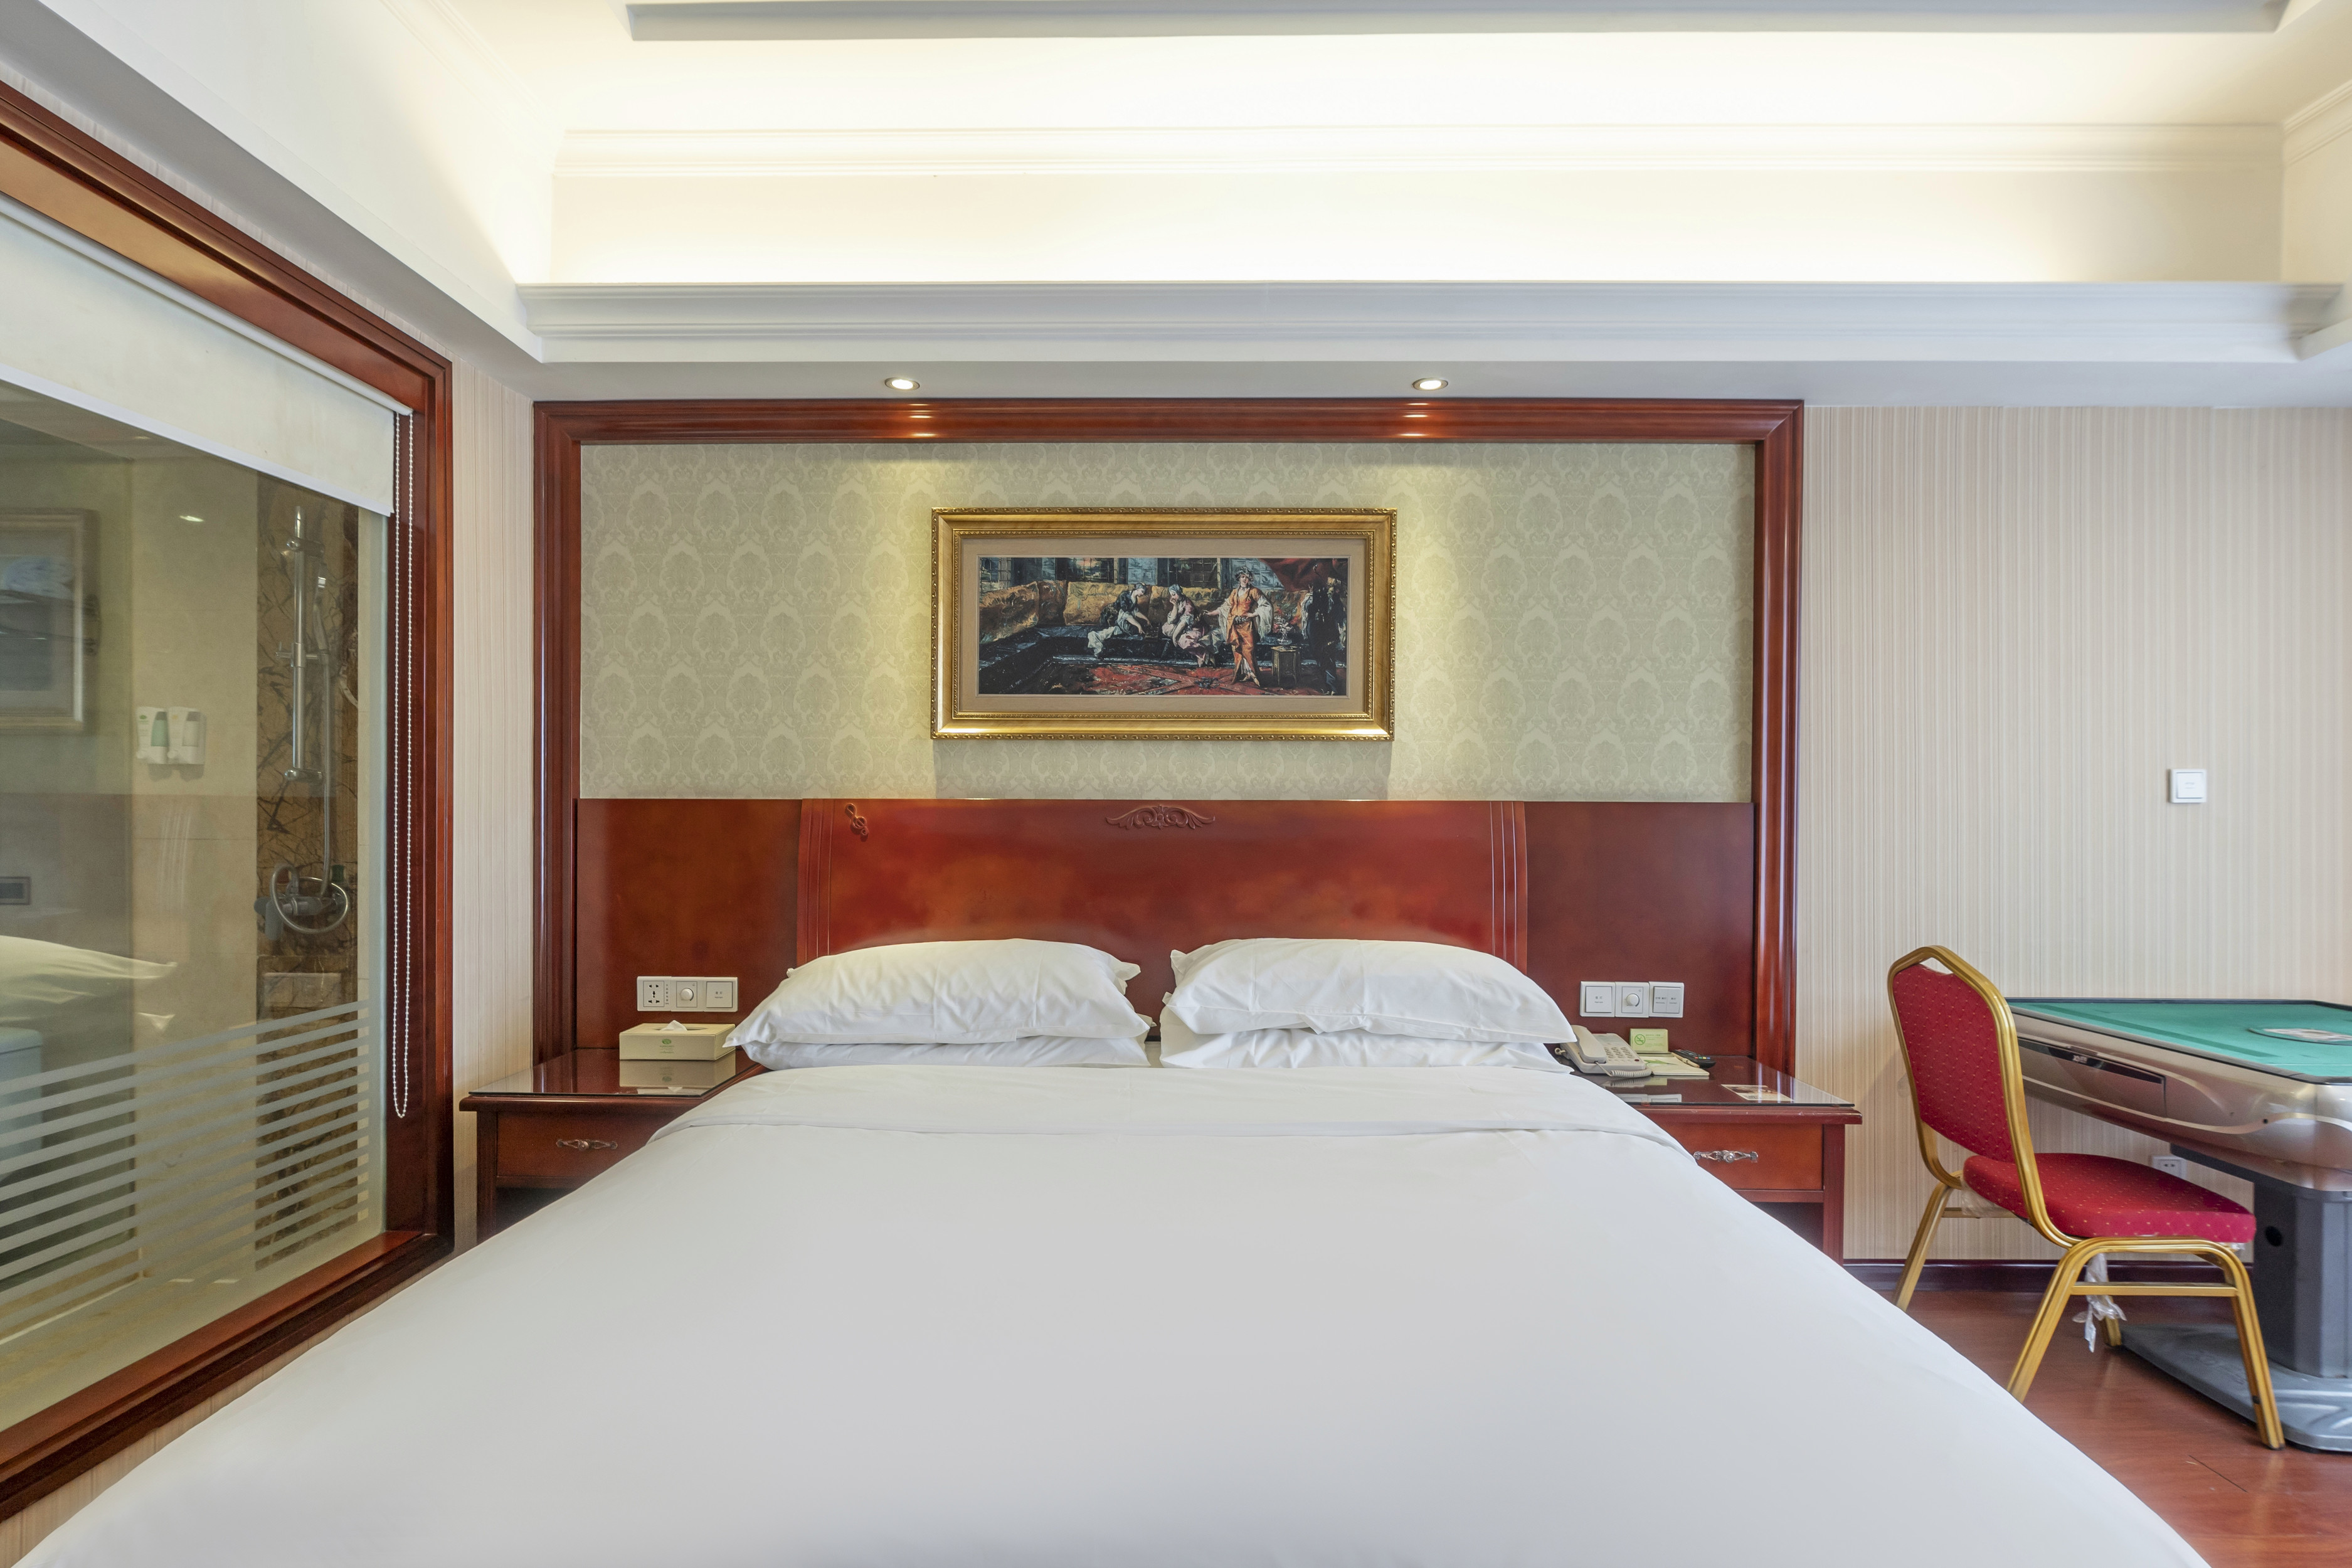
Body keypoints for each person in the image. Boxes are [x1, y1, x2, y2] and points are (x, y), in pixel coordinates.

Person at [1293, 575, 1345, 693]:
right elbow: (1308, 612)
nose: (1312, 587)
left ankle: (1332, 687)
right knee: (1319, 656)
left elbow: (1335, 613)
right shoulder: (1309, 598)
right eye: (1312, 586)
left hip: (1327, 629)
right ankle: (1327, 686)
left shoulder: (1330, 597)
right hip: (1314, 629)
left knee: (1328, 656)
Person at [1219, 576, 1265, 687]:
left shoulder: (1254, 591)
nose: (1245, 579)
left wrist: (1254, 614)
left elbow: (1265, 605)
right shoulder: (1235, 592)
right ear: (1239, 578)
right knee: (1238, 651)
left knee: (1249, 649)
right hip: (1235, 627)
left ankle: (1254, 675)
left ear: (1250, 579)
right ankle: (1245, 674)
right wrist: (1212, 613)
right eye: (1242, 577)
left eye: (1247, 577)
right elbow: (1226, 607)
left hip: (1247, 626)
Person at [1163, 592, 1209, 665]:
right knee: (1167, 629)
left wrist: (1174, 637)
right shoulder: (1178, 602)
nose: (1172, 597)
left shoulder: (1188, 605)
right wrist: (1175, 606)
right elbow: (1171, 620)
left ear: (1179, 593)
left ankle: (1202, 653)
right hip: (1183, 628)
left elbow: (1183, 624)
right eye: (1171, 595)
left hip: (1194, 628)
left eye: (1174, 594)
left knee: (1184, 641)